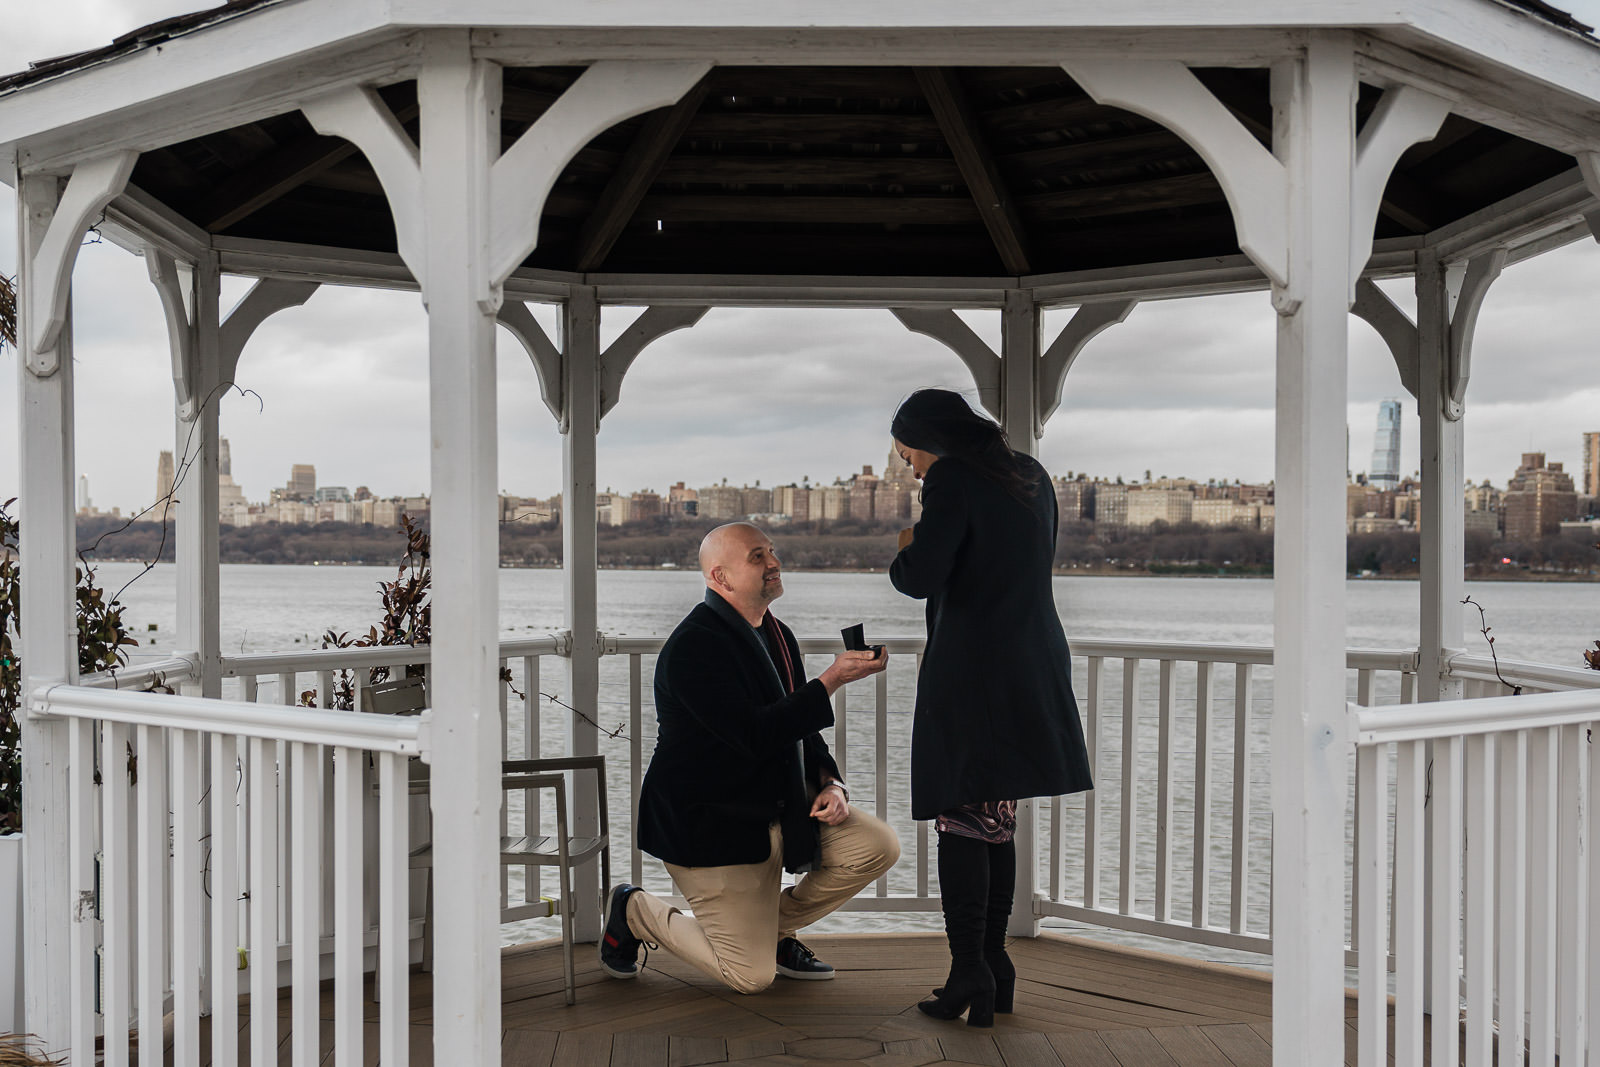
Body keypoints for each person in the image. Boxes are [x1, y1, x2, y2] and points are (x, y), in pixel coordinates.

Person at [599, 522, 900, 993]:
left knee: (878, 846)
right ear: (720, 577)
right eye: (757, 557)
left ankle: (771, 932)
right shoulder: (693, 648)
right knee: (750, 977)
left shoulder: (778, 634)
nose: (774, 563)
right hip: (711, 827)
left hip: (777, 812)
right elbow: (753, 735)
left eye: (772, 552)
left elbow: (799, 729)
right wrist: (832, 681)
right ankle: (633, 909)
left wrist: (831, 784)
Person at [887, 388, 1093, 1028]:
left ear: (928, 441)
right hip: (1032, 662)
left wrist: (906, 544)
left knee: (960, 814)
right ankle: (994, 961)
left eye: (907, 455)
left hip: (974, 670)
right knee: (995, 813)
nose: (909, 468)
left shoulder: (951, 479)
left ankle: (966, 970)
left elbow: (921, 575)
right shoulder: (1029, 473)